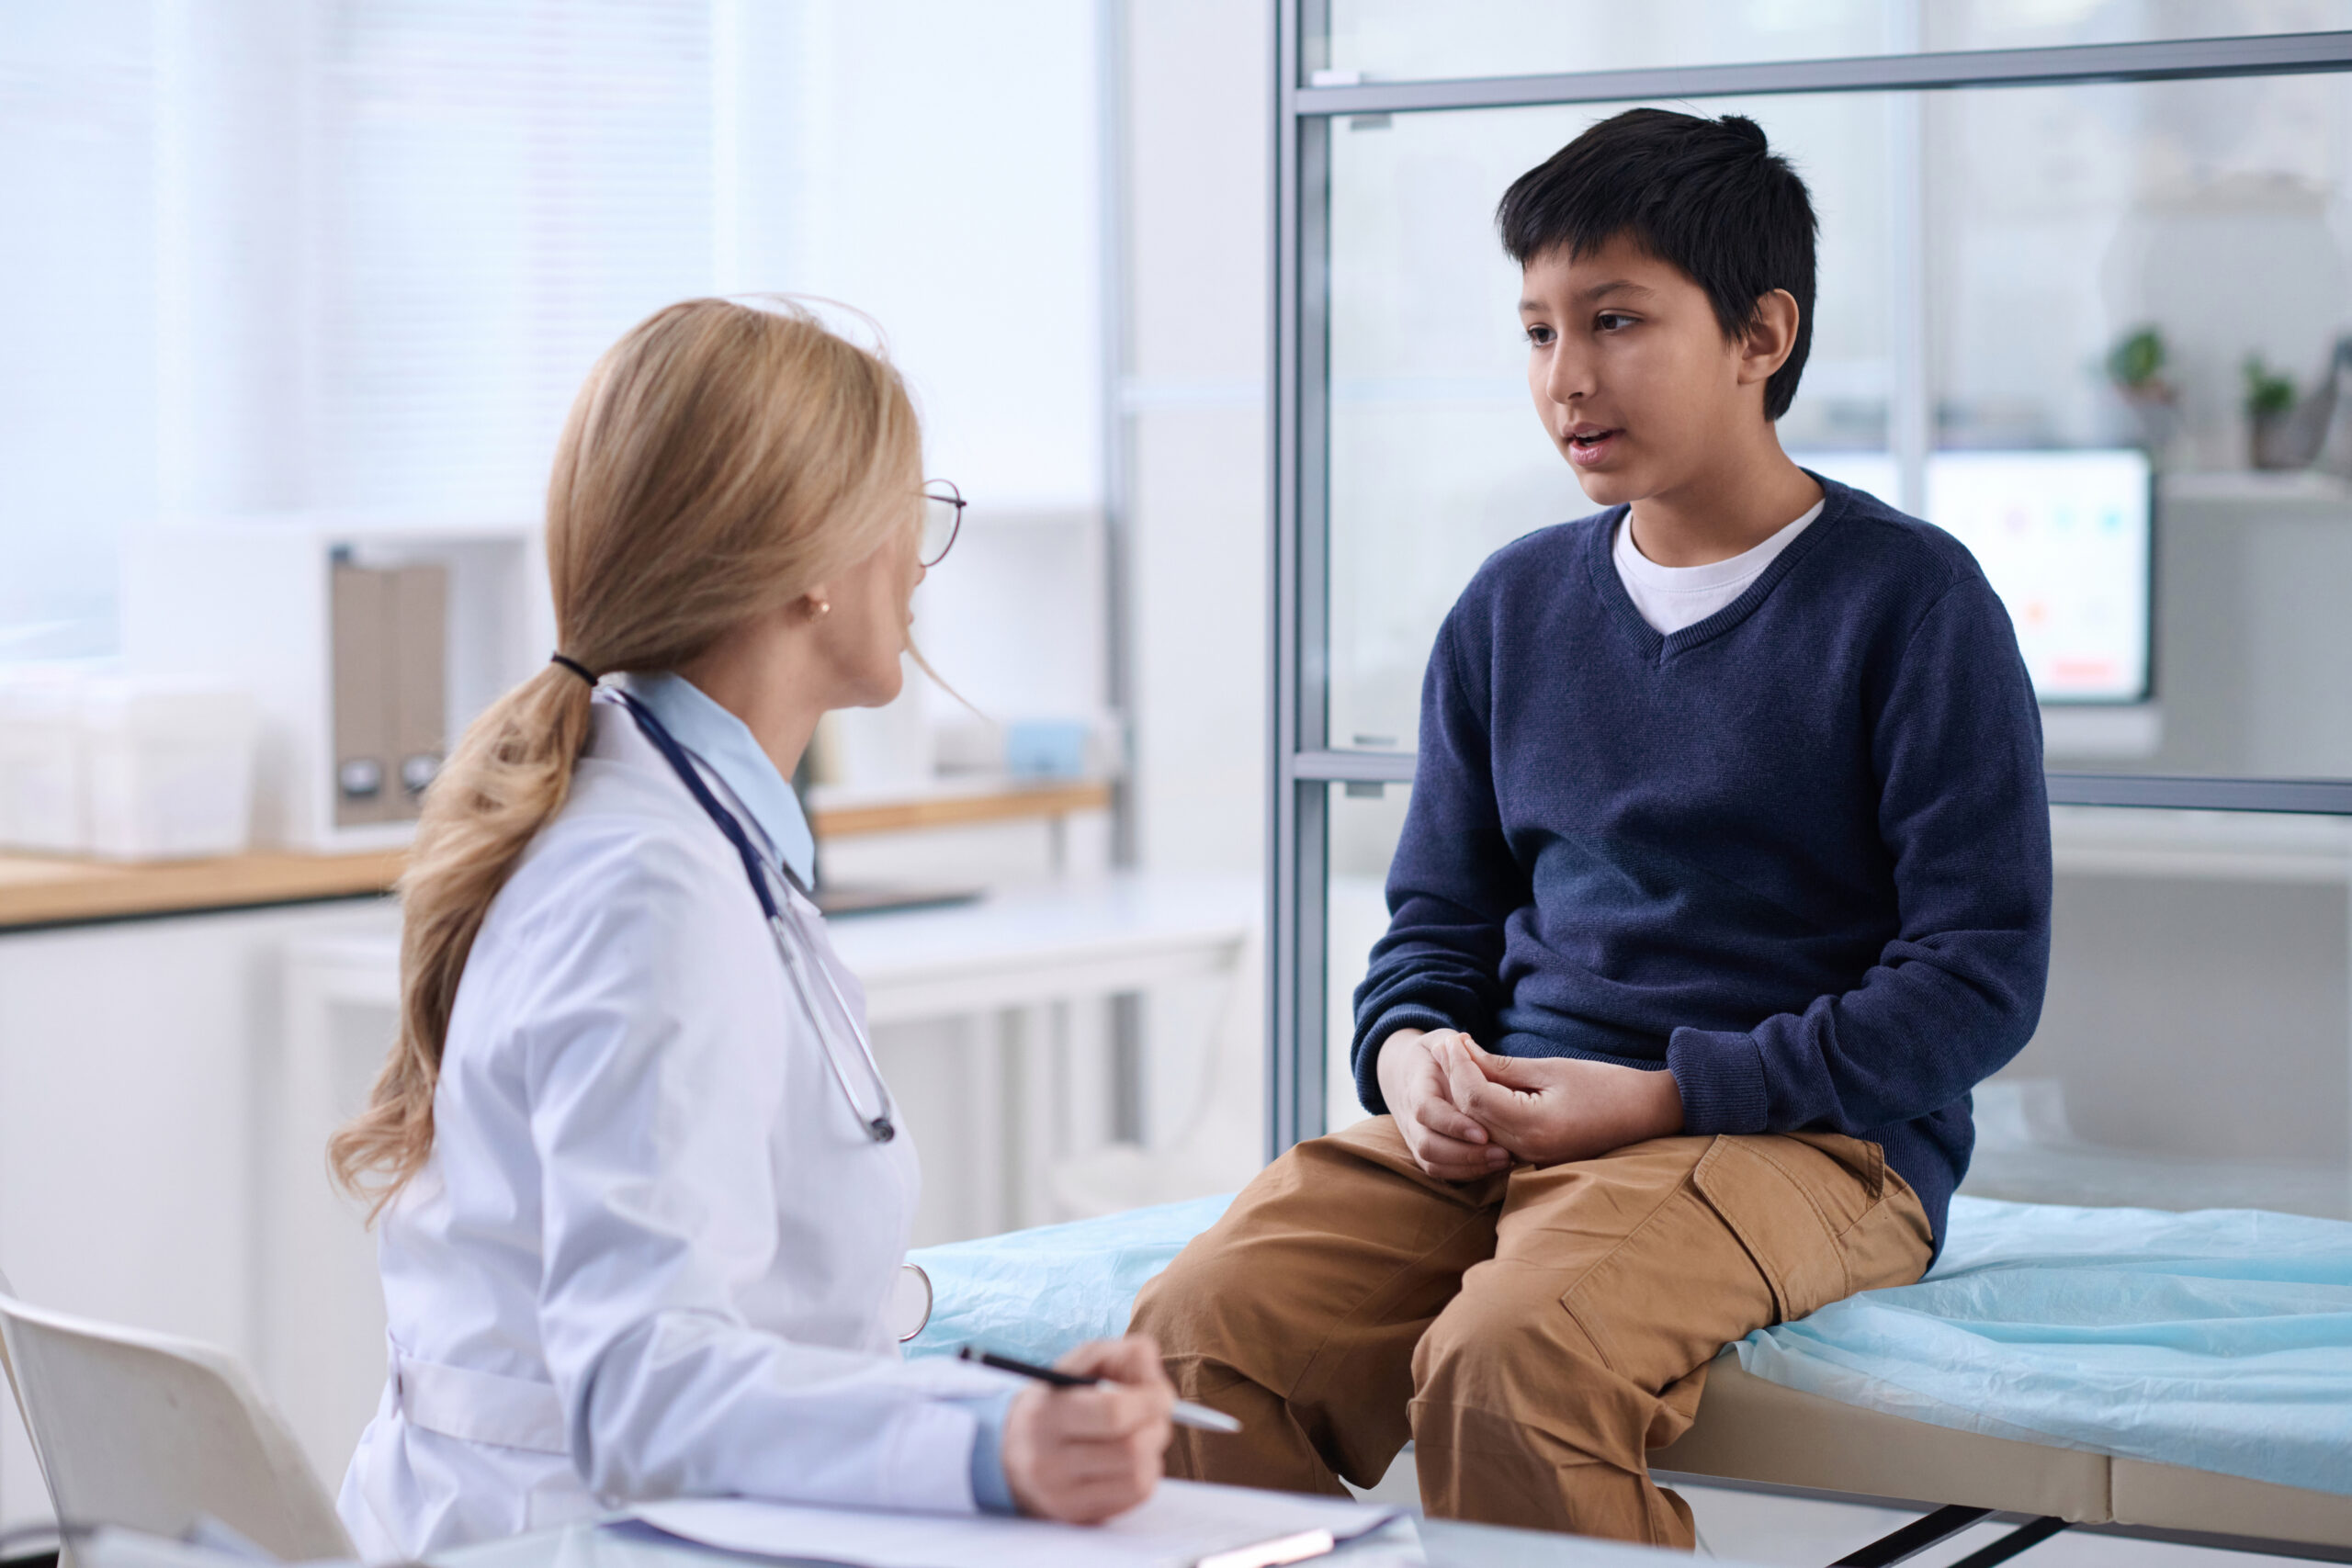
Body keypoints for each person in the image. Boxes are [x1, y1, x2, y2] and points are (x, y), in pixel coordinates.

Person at [1130, 108, 2052, 1548]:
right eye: (1539, 332)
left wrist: (1665, 1096)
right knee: (1186, 1350)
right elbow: (1432, 931)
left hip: (1819, 1146)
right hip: (1513, 1126)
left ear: (1761, 333)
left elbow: (1979, 983)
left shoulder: (1912, 606)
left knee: (1510, 1361)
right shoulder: (1512, 608)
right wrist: (1406, 1052)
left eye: (1617, 321)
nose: (1568, 380)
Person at [329, 299, 1173, 1559]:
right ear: (810, 564)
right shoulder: (650, 889)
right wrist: (987, 1447)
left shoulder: (656, 819)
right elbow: (647, 1391)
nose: (921, 562)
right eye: (908, 511)